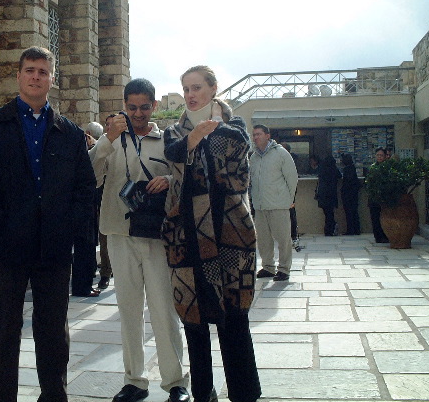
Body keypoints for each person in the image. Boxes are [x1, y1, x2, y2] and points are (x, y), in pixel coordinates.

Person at [0, 46, 96, 402]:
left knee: (53, 331)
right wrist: (1, 223)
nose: (36, 76)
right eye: (30, 70)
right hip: (8, 246)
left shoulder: (69, 133)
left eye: (43, 71)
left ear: (53, 79)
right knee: (3, 330)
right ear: (18, 75)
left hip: (53, 248)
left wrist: (67, 227)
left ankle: (54, 395)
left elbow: (84, 189)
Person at [162, 65, 261, 402]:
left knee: (235, 320)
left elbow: (237, 180)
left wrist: (204, 142)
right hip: (187, 238)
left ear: (213, 89)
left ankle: (244, 393)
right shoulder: (173, 133)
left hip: (231, 234)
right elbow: (174, 160)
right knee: (194, 322)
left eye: (197, 88)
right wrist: (193, 140)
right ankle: (203, 393)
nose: (190, 95)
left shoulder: (235, 129)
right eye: (186, 88)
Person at [89, 79, 189, 402]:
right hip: (120, 231)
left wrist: (169, 179)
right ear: (124, 106)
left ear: (154, 106)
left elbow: (186, 178)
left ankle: (176, 381)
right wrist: (107, 139)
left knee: (163, 308)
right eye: (132, 107)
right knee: (128, 309)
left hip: (156, 234)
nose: (138, 113)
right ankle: (134, 379)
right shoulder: (113, 138)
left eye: (144, 107)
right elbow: (89, 175)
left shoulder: (167, 139)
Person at [250, 125, 299, 282]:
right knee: (263, 240)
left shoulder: (281, 153)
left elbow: (292, 178)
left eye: (259, 134)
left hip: (278, 205)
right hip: (260, 206)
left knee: (283, 239)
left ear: (267, 135)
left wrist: (288, 200)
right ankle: (268, 267)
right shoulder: (253, 157)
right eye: (254, 135)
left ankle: (284, 269)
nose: (256, 137)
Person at [70, 121, 106, 297]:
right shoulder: (79, 141)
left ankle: (84, 283)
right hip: (81, 205)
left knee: (87, 245)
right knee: (84, 245)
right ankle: (82, 286)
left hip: (86, 203)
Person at [97, 114, 117, 290]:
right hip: (105, 204)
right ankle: (105, 273)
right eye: (108, 125)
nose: (111, 127)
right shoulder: (102, 145)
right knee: (104, 242)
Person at [316, 155, 342, 236]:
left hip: (323, 194)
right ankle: (330, 229)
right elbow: (339, 176)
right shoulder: (334, 169)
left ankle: (328, 230)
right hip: (331, 194)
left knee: (327, 213)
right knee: (330, 213)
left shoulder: (322, 169)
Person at [367, 147, 389, 243]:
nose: (379, 157)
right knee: (375, 218)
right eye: (378, 155)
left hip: (384, 197)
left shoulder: (387, 167)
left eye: (381, 155)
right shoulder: (372, 167)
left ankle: (386, 235)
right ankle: (378, 237)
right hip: (374, 197)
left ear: (385, 156)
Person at [281, 142, 299, 244]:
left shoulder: (290, 160)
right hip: (281, 190)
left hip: (288, 190)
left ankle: (293, 234)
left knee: (290, 212)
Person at [340, 153, 361, 235]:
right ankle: (356, 229)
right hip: (354, 194)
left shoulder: (347, 170)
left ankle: (350, 230)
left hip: (348, 195)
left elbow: (347, 182)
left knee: (349, 213)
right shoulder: (352, 168)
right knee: (354, 212)